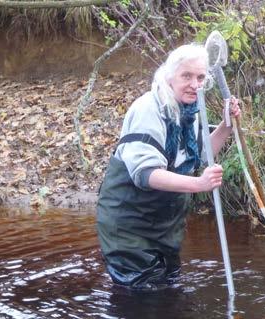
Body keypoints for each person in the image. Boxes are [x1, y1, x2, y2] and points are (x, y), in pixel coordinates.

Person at [96, 43, 240, 290]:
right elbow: (145, 174)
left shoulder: (190, 111)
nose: (195, 85)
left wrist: (226, 125)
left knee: (170, 289)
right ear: (169, 75)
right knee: (143, 298)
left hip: (165, 226)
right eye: (187, 76)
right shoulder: (148, 109)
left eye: (200, 77)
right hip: (129, 224)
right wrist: (198, 184)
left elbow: (201, 155)